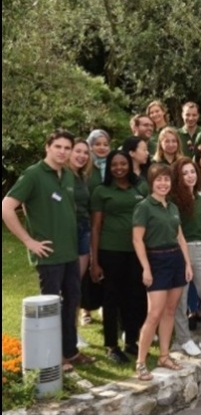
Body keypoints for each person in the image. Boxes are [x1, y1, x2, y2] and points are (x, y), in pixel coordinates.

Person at [2, 129, 95, 371]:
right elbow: (7, 207)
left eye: (67, 148)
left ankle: (70, 352)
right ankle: (53, 357)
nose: (63, 152)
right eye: (58, 147)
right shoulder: (34, 174)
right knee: (51, 307)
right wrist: (29, 240)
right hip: (48, 255)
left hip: (70, 252)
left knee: (72, 300)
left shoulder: (67, 175)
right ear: (47, 147)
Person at [132, 164, 193, 381]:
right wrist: (146, 267)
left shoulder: (172, 207)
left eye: (167, 179)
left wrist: (187, 264)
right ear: (151, 182)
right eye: (159, 179)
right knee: (154, 313)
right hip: (156, 260)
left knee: (170, 310)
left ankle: (164, 356)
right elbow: (137, 239)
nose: (163, 183)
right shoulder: (144, 207)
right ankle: (140, 362)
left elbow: (180, 237)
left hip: (175, 259)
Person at [90, 150, 148, 364]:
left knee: (135, 297)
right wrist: (94, 262)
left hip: (137, 251)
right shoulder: (101, 191)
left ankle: (131, 340)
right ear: (109, 167)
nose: (119, 168)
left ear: (129, 165)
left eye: (123, 163)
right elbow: (95, 227)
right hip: (111, 250)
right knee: (111, 298)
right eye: (114, 164)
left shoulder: (140, 187)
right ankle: (111, 345)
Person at [170, 157, 201, 364]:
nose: (190, 176)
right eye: (185, 173)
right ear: (178, 177)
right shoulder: (174, 200)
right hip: (181, 250)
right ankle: (184, 339)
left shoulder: (199, 196)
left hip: (200, 250)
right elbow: (176, 230)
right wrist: (184, 258)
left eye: (192, 171)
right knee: (181, 300)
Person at [68, 139, 94, 335]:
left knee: (76, 283)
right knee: (66, 284)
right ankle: (66, 331)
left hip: (84, 230)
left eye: (85, 152)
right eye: (78, 151)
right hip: (66, 232)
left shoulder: (82, 176)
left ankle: (73, 331)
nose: (82, 156)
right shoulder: (61, 175)